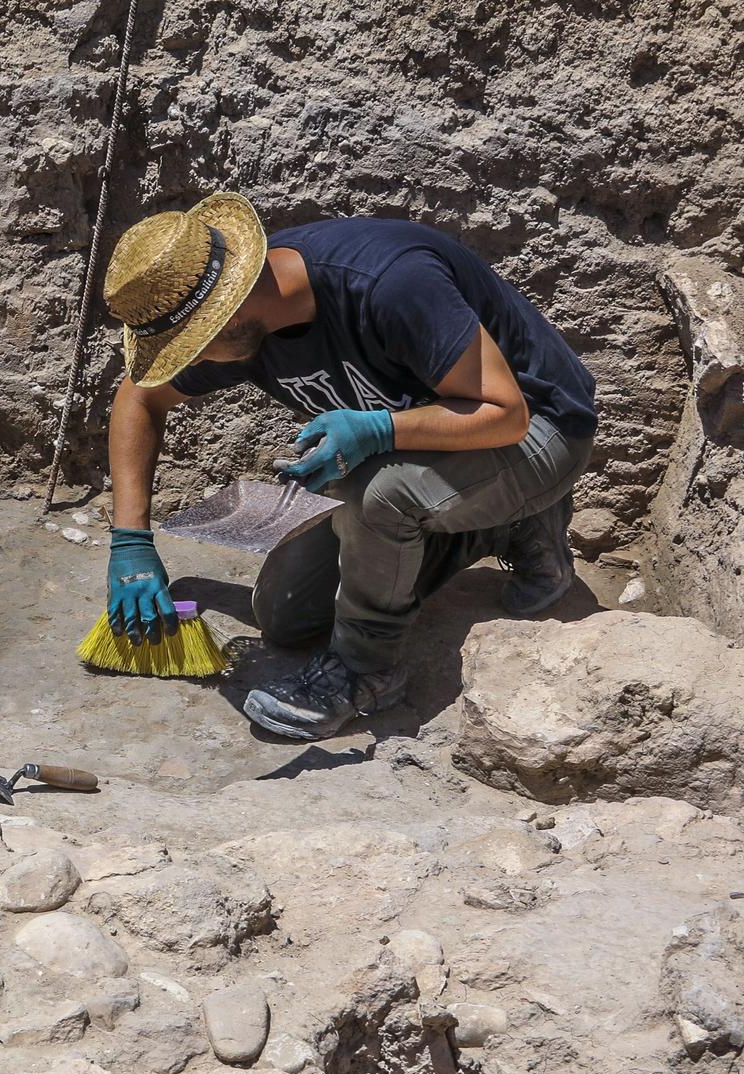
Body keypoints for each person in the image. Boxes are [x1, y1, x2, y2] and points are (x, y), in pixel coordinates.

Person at [97, 191, 596, 740]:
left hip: (540, 434)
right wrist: (130, 540)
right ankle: (497, 525)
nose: (188, 365)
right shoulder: (251, 323)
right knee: (285, 614)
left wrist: (378, 429)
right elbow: (139, 399)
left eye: (190, 348)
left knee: (379, 492)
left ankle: (368, 672)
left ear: (229, 315)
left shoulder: (388, 283)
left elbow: (504, 413)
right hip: (439, 454)